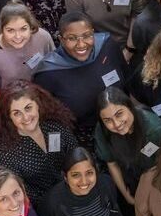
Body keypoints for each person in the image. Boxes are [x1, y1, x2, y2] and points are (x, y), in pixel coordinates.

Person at [32, 12, 128, 147]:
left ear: (93, 33)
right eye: (72, 38)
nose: (81, 44)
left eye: (87, 36)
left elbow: (126, 81)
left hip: (122, 124)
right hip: (84, 138)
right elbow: (47, 118)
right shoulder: (48, 72)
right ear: (61, 39)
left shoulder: (107, 46)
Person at [0, 81, 78, 205]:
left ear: (37, 105)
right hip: (46, 205)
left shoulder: (54, 126)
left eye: (28, 108)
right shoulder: (6, 150)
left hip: (76, 187)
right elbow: (21, 190)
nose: (25, 117)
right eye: (17, 113)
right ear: (9, 117)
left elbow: (75, 153)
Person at [94, 87, 161, 210]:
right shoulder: (102, 130)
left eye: (119, 114)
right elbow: (112, 163)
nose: (116, 124)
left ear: (130, 107)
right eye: (108, 120)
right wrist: (126, 195)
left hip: (158, 180)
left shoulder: (155, 130)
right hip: (129, 181)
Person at [0, 0, 55, 88]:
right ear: (2, 30)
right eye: (10, 30)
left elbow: (54, 66)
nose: (18, 36)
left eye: (23, 29)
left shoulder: (42, 37)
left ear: (30, 27)